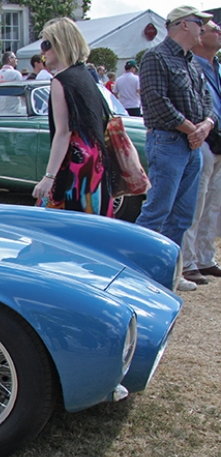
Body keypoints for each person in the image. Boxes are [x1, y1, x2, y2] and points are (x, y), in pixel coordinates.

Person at [137, 6, 216, 291]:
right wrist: (193, 129)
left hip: (190, 144)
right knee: (159, 209)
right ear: (183, 25)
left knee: (182, 214)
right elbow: (157, 102)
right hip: (169, 141)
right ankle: (138, 270)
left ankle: (168, 272)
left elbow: (206, 101)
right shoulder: (156, 57)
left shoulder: (192, 61)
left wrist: (205, 125)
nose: (203, 29)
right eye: (199, 24)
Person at [31, 18, 113, 217]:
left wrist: (48, 178)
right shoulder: (86, 77)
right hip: (96, 166)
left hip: (75, 170)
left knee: (58, 231)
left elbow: (63, 132)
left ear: (61, 44)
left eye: (46, 44)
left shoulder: (61, 81)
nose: (43, 51)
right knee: (92, 230)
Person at [182, 19, 221, 285]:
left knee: (214, 203)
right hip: (202, 138)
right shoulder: (192, 66)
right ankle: (187, 260)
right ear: (200, 36)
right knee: (195, 201)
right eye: (213, 29)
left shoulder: (217, 67)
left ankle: (206, 257)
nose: (219, 31)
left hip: (217, 137)